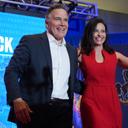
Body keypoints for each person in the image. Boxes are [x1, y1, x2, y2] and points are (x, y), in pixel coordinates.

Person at [4, 4, 79, 128]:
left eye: (65, 20)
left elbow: (72, 83)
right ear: (47, 23)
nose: (62, 23)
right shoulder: (30, 42)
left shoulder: (71, 51)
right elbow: (11, 71)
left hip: (63, 115)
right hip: (34, 113)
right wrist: (16, 99)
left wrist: (98, 88)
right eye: (57, 19)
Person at [78, 17, 128, 128]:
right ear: (89, 33)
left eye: (103, 31)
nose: (100, 34)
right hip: (91, 103)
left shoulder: (115, 55)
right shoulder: (81, 56)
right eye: (96, 31)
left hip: (111, 103)